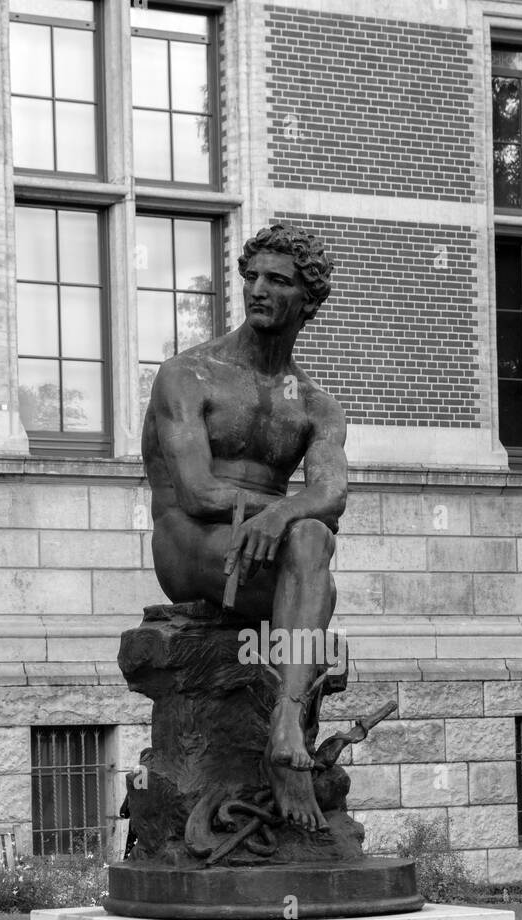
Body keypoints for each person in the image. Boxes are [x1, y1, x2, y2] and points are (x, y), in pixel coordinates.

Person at [142, 222, 347, 831]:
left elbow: (331, 495)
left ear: (306, 302)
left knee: (313, 539)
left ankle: (285, 731)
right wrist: (278, 508)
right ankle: (288, 730)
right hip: (190, 547)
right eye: (251, 276)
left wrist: (285, 513)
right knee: (311, 556)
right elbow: (200, 491)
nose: (258, 288)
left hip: (268, 551)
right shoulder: (188, 375)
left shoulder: (316, 404)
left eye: (277, 281)